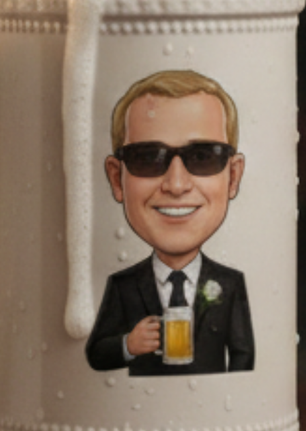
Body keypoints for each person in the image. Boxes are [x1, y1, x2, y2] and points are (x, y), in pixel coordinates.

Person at [86, 69, 254, 376]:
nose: (176, 185)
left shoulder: (231, 284)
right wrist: (128, 344)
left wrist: (236, 409)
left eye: (204, 156)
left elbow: (243, 356)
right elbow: (95, 354)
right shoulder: (122, 286)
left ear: (233, 176)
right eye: (147, 158)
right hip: (129, 419)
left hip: (220, 419)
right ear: (116, 178)